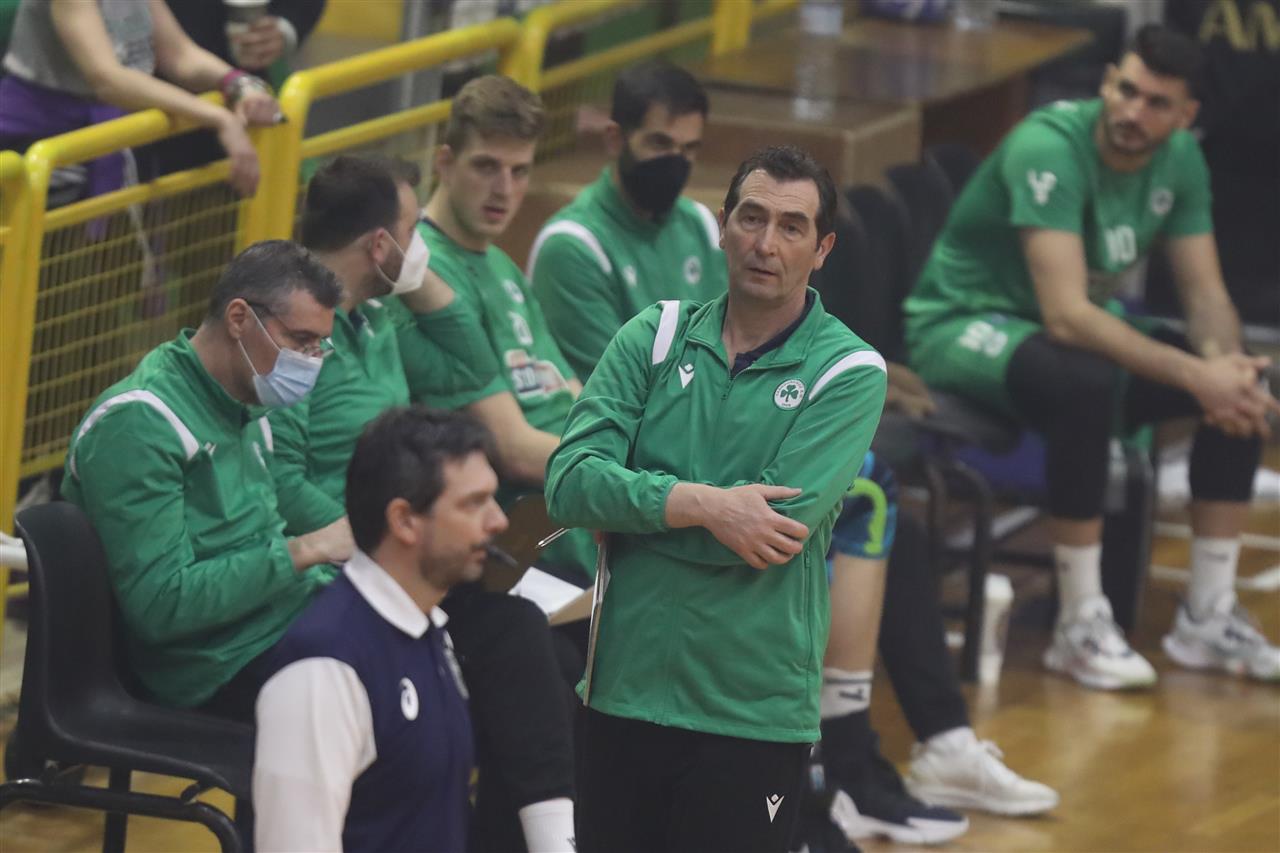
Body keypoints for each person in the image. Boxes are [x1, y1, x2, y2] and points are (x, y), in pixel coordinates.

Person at [902, 23, 1280, 689]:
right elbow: (1067, 315)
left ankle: (1207, 613)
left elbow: (1205, 293)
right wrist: (1201, 376)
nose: (1134, 112)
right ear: (1107, 83)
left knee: (1244, 379)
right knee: (1085, 383)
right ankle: (1078, 623)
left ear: (1185, 114)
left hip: (1057, 332)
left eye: (1156, 103)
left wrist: (1227, 369)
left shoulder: (1181, 162)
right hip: (961, 324)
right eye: (1126, 91)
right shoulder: (1049, 146)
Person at [547, 145, 888, 852]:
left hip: (751, 714)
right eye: (752, 218)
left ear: (822, 249)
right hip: (621, 692)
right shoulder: (653, 335)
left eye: (792, 227)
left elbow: (771, 536)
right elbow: (570, 482)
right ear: (722, 227)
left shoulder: (850, 370)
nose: (766, 244)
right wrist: (705, 505)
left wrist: (632, 512)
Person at [275, 151, 577, 853]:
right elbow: (280, 478)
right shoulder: (293, 337)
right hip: (359, 562)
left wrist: (417, 283)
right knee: (516, 636)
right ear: (380, 245)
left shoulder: (379, 317)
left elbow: (471, 361)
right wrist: (367, 538)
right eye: (414, 235)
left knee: (563, 654)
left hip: (406, 544)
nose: (423, 251)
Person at [60, 239, 352, 711]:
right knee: (384, 693)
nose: (311, 360)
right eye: (301, 341)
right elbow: (162, 605)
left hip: (283, 620)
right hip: (214, 666)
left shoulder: (248, 401)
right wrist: (306, 550)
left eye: (320, 345)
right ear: (239, 319)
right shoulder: (140, 423)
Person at [253, 406, 508, 853]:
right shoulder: (323, 670)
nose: (499, 522)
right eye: (474, 503)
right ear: (404, 520)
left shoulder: (428, 627)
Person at [528, 59, 726, 380]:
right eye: (660, 143)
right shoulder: (572, 247)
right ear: (615, 139)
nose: (675, 162)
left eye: (688, 149)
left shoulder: (702, 226)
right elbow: (619, 388)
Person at [0, 0, 278, 201]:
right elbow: (107, 79)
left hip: (113, 138)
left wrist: (239, 83)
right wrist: (219, 118)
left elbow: (180, 55)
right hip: (43, 143)